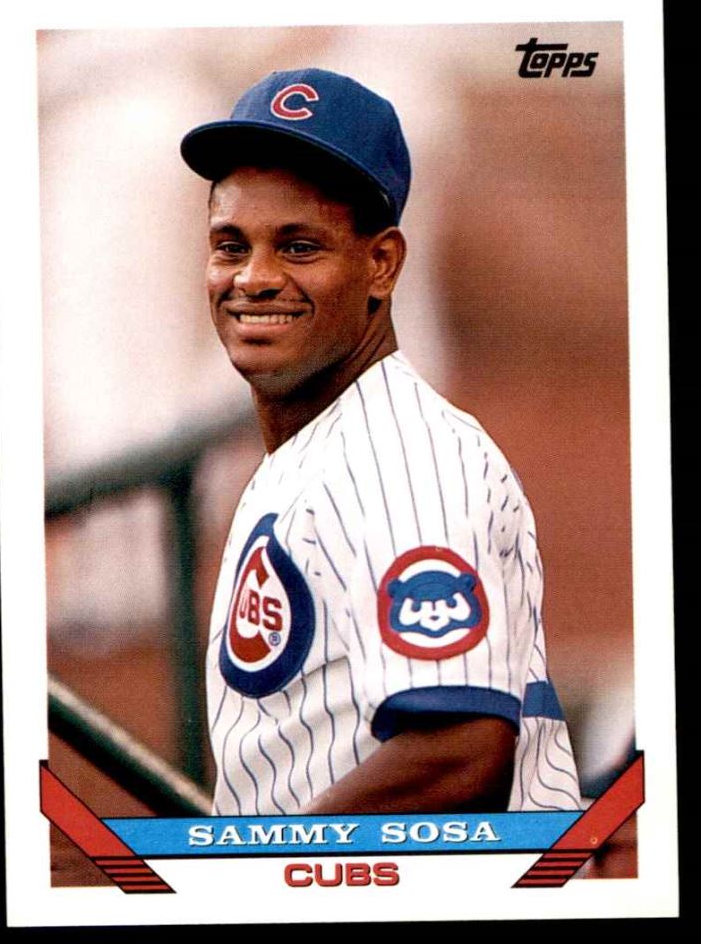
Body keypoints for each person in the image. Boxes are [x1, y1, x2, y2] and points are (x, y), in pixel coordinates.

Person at [180, 68, 581, 816]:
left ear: (381, 264)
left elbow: (457, 751)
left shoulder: (405, 465)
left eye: (300, 247)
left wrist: (261, 873)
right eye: (231, 246)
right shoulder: (320, 446)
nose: (254, 278)